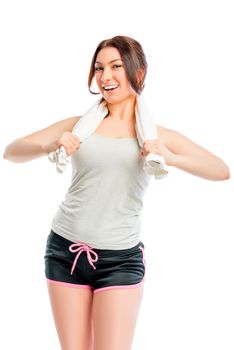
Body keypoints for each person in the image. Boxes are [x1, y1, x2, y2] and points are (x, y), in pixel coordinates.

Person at [3, 35, 230, 350]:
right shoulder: (79, 125)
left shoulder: (156, 135)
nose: (105, 76)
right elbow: (11, 152)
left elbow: (220, 170)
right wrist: (49, 144)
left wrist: (171, 157)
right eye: (99, 68)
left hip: (120, 261)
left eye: (115, 67)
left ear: (138, 73)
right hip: (64, 251)